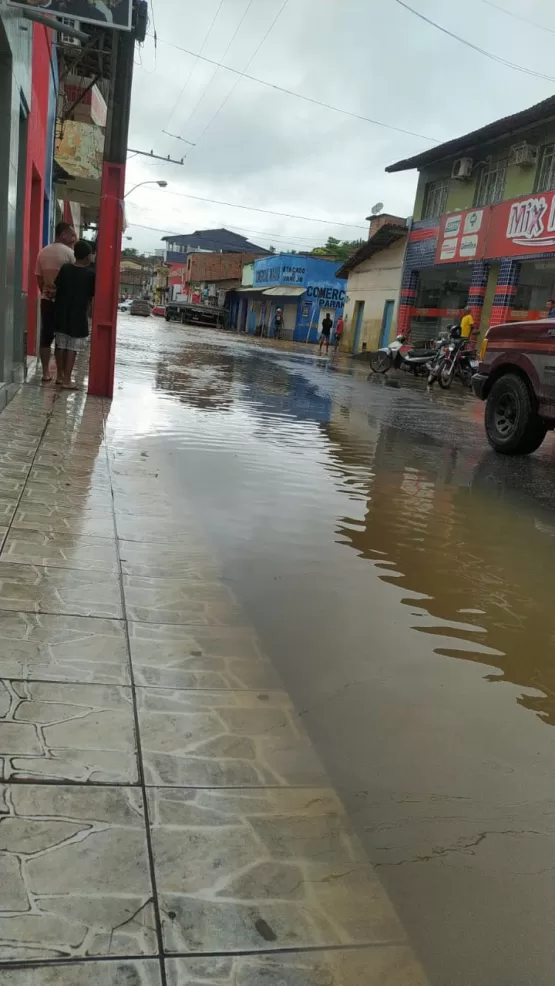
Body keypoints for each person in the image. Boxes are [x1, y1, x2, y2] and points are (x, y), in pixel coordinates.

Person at [35, 221, 76, 382]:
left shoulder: (42, 252)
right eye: (72, 235)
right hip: (64, 303)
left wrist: (46, 291)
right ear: (63, 234)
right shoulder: (70, 254)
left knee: (45, 337)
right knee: (62, 338)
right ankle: (60, 375)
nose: (74, 238)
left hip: (46, 300)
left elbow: (38, 278)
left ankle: (45, 372)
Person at [53, 239, 95, 390]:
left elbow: (57, 287)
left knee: (60, 344)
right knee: (72, 348)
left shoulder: (65, 268)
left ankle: (59, 376)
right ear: (88, 257)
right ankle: (67, 380)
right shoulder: (90, 274)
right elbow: (91, 296)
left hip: (61, 312)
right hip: (78, 315)